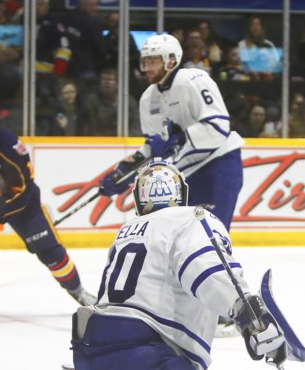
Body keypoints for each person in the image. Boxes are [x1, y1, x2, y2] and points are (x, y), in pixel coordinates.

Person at [22, 160, 293, 370]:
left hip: (92, 361)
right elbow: (209, 269)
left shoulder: (127, 231)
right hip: (142, 361)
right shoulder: (191, 219)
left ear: (139, 199)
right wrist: (249, 314)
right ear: (181, 193)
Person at [0, 96, 97, 316]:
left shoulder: (10, 145)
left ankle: (79, 292)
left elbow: (22, 188)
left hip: (23, 205)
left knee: (50, 251)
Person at [99, 33, 244, 232]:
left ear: (171, 60)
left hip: (217, 165)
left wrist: (174, 153)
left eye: (153, 61)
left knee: (210, 237)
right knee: (177, 239)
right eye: (145, 62)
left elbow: (217, 127)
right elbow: (153, 146)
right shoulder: (148, 99)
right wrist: (124, 171)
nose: (147, 68)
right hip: (183, 175)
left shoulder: (194, 79)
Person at [83, 67, 141, 136]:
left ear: (117, 84)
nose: (107, 83)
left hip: (124, 142)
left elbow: (136, 127)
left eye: (110, 80)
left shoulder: (128, 101)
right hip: (101, 142)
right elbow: (91, 128)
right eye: (104, 80)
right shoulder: (93, 101)